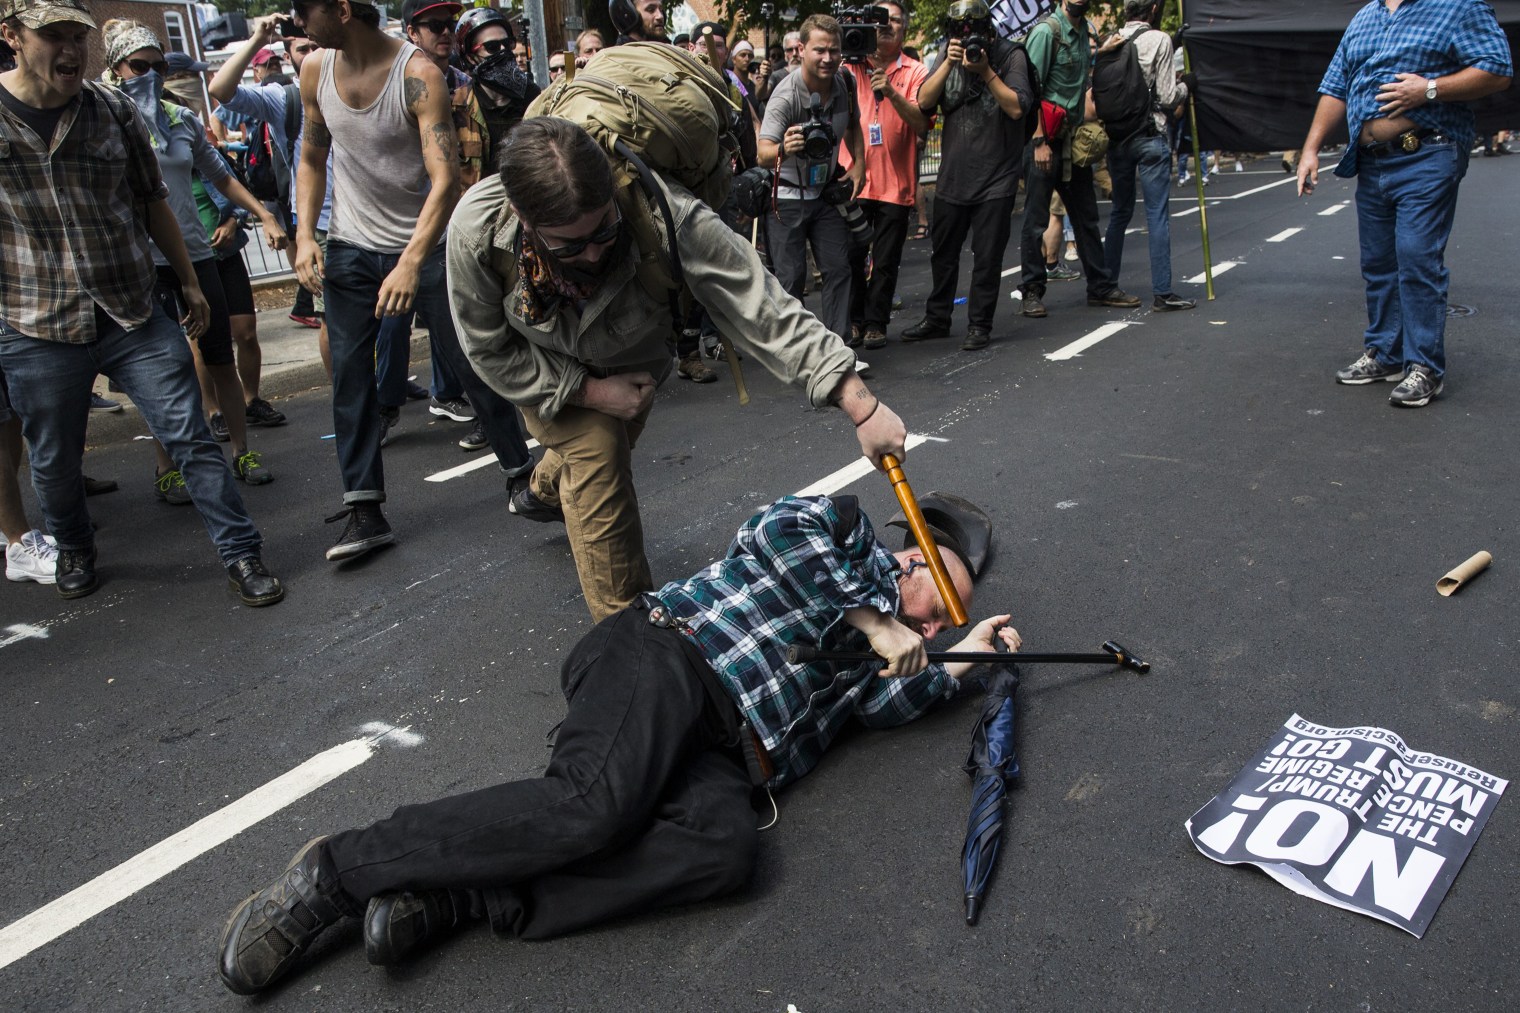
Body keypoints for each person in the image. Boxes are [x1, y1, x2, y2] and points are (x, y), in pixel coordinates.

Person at [216, 493, 1020, 994]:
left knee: (724, 853)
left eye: (949, 615)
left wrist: (964, 656)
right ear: (913, 555)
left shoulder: (906, 648)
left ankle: (466, 894)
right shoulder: (847, 537)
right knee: (591, 804)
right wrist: (874, 618)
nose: (937, 619)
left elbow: (881, 705)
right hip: (669, 654)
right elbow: (778, 530)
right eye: (943, 595)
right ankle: (335, 875)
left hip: (726, 749)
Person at [448, 116, 909, 621]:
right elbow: (487, 350)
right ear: (521, 215)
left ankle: (542, 490)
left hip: (636, 362)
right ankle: (633, 639)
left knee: (607, 448)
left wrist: (860, 404)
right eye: (571, 246)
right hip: (549, 372)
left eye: (604, 230)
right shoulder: (477, 229)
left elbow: (759, 302)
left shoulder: (663, 211)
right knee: (598, 451)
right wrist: (587, 392)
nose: (594, 252)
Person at [0, 0, 284, 605]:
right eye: (53, 35)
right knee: (52, 456)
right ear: (12, 38)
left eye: (78, 35)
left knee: (190, 435)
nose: (71, 49)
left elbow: (154, 199)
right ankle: (74, 547)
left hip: (130, 309)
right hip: (34, 322)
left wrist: (185, 279)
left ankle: (242, 554)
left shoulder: (113, 110)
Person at [289, 0, 468, 560]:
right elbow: (312, 158)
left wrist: (411, 262)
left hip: (424, 244)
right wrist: (303, 236)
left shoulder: (418, 74)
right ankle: (364, 510)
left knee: (471, 360)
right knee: (349, 377)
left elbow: (446, 177)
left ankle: (520, 475)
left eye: (305, 10)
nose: (300, 23)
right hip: (349, 247)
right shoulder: (315, 68)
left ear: (342, 8)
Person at [1297, 0, 1511, 408]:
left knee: (1416, 257)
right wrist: (1310, 149)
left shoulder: (1457, 7)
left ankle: (1424, 366)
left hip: (1429, 153)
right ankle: (1386, 354)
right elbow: (1335, 85)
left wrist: (1429, 88)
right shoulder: (1366, 16)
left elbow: (1497, 69)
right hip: (1373, 162)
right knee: (1378, 264)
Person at [103, 19, 286, 492]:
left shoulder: (180, 119)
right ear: (115, 69)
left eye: (158, 67)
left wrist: (262, 216)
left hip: (197, 256)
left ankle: (242, 453)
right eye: (138, 66)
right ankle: (167, 467)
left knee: (219, 355)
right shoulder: (104, 120)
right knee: (163, 369)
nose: (150, 75)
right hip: (142, 263)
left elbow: (221, 176)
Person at [901, 0, 1031, 351]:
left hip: (996, 176)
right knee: (943, 254)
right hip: (953, 176)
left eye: (974, 28)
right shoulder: (948, 53)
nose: (967, 35)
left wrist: (987, 71)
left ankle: (979, 324)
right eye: (960, 30)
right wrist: (948, 62)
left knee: (987, 256)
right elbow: (924, 101)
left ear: (988, 28)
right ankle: (937, 318)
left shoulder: (1010, 55)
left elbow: (1017, 107)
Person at [1019, 0, 1142, 319]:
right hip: (1044, 138)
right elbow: (1028, 91)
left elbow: (1077, 71)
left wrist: (1101, 52)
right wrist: (1038, 141)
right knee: (1036, 220)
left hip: (1072, 140)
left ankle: (1100, 287)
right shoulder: (1048, 32)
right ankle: (1032, 291)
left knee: (1086, 217)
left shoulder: (1086, 30)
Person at [759, 14, 866, 346]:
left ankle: (838, 350)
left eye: (834, 51)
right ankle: (800, 353)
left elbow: (853, 126)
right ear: (801, 49)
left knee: (838, 269)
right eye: (820, 50)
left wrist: (860, 164)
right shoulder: (785, 95)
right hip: (787, 197)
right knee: (792, 281)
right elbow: (762, 153)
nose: (828, 58)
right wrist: (783, 148)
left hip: (824, 193)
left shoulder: (845, 82)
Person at [840, 1, 928, 352]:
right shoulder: (848, 68)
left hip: (896, 183)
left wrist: (891, 91)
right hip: (855, 178)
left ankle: (877, 322)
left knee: (886, 260)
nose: (886, 26)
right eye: (879, 20)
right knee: (850, 255)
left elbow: (921, 122)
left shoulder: (916, 72)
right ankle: (856, 319)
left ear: (904, 29)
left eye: (893, 20)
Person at [1100, 0, 1196, 314]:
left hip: (1117, 139)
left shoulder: (1111, 41)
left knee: (1120, 213)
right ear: (1154, 9)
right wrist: (1187, 87)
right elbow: (1168, 96)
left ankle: (1106, 284)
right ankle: (1163, 292)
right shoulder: (1160, 40)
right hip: (1150, 136)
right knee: (1156, 214)